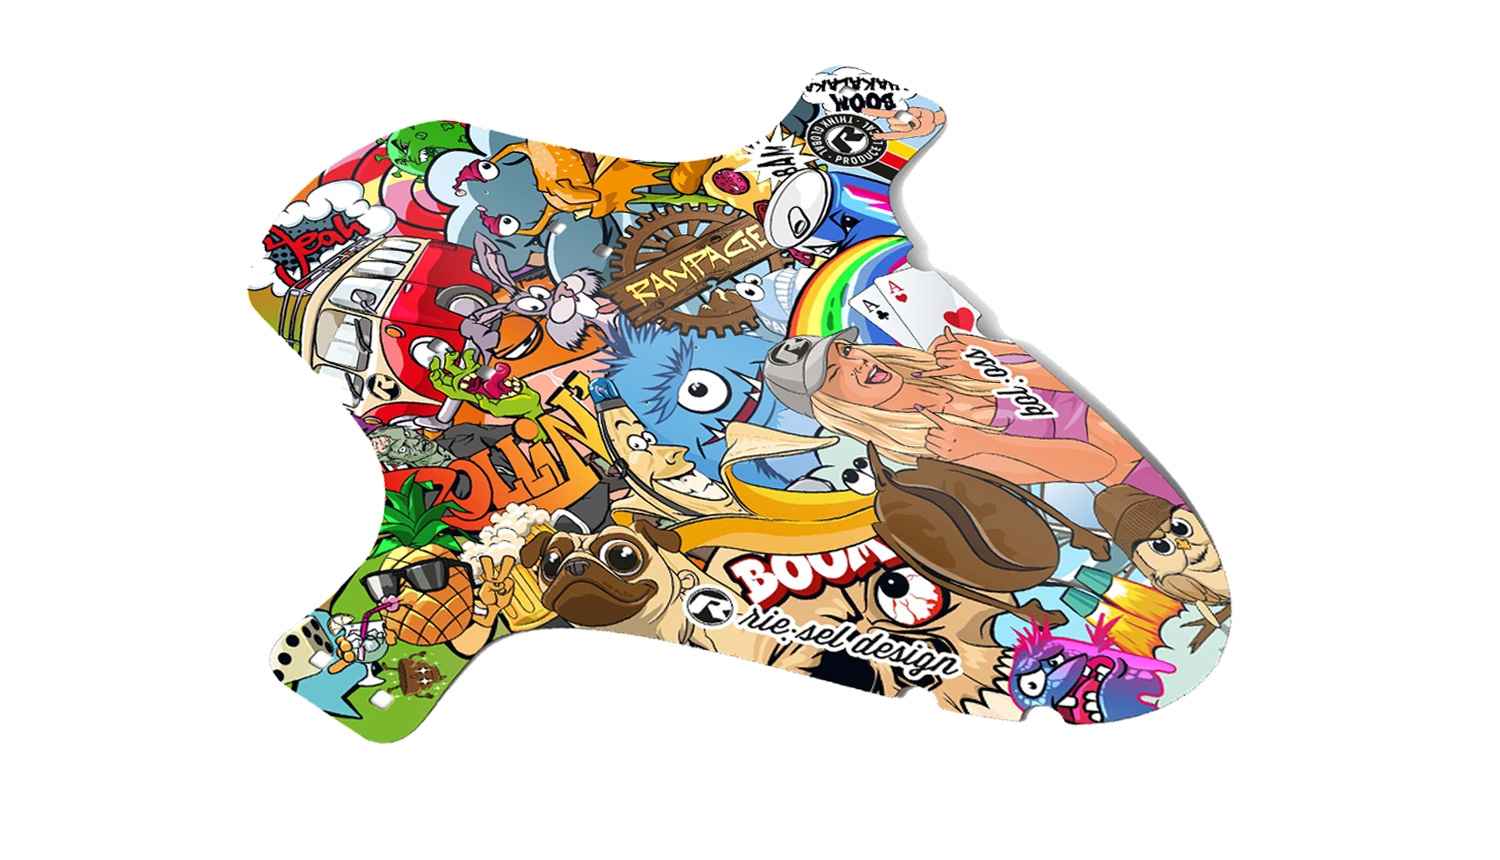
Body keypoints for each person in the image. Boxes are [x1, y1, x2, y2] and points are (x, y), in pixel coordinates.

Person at [763, 326, 1175, 495]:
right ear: (834, 406)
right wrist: (981, 443)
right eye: (836, 373)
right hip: (1148, 473)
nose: (859, 363)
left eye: (847, 350)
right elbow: (1097, 465)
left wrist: (989, 354)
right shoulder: (938, 447)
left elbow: (1070, 374)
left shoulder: (946, 360)